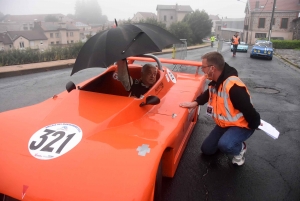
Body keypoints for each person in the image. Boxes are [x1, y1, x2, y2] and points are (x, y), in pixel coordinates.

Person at [179, 52, 261, 166]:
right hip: (225, 124)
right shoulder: (216, 82)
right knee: (207, 150)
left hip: (241, 125)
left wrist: (255, 123)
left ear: (212, 68)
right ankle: (228, 140)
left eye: (203, 67)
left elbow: (248, 109)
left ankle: (240, 148)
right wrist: (195, 103)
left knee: (225, 145)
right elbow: (209, 93)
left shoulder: (233, 86)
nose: (202, 69)